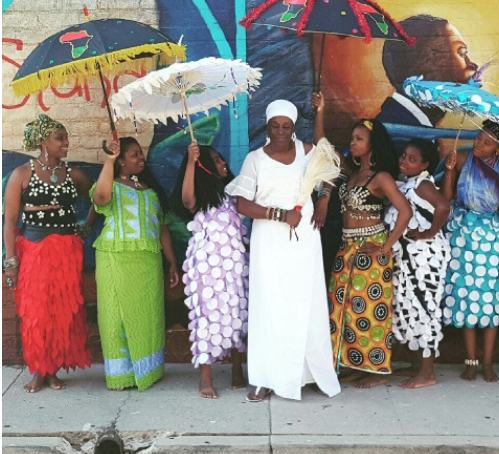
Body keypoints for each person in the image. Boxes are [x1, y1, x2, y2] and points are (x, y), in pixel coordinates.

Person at [228, 99, 341, 402]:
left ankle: (308, 373)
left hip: (304, 236)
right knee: (270, 305)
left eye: (286, 126)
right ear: (268, 127)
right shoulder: (255, 159)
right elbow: (242, 203)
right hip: (269, 239)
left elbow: (327, 164)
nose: (280, 131)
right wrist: (278, 215)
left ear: (293, 127)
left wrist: (324, 199)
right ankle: (266, 377)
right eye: (275, 126)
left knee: (305, 301)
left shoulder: (306, 152)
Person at [316, 117, 412, 388]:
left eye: (359, 139)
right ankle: (355, 364)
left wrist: (385, 246)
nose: (352, 143)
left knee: (369, 310)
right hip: (347, 248)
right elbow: (323, 147)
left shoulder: (380, 177)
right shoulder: (351, 173)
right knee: (343, 306)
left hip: (371, 249)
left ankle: (377, 370)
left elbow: (405, 211)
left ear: (372, 145)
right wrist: (321, 111)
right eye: (352, 138)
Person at [3, 115, 94, 393]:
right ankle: (39, 370)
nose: (66, 143)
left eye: (66, 137)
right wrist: (10, 262)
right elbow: (10, 221)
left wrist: (86, 227)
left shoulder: (74, 174)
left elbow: (99, 200)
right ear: (44, 142)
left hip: (66, 253)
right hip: (34, 252)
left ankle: (53, 371)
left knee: (60, 311)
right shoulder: (22, 174)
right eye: (60, 138)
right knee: (36, 312)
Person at [93, 136, 179, 391]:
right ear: (120, 162)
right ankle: (121, 375)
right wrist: (108, 161)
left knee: (148, 316)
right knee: (115, 316)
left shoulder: (149, 189)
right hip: (115, 257)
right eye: (133, 155)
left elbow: (162, 228)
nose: (141, 158)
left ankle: (147, 370)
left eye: (140, 153)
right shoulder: (110, 184)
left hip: (148, 261)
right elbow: (100, 198)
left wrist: (172, 262)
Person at [441, 120, 499, 383]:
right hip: (463, 235)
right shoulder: (463, 158)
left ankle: (488, 363)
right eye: (478, 138)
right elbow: (448, 197)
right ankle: (471, 362)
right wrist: (450, 170)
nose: (478, 143)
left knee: (490, 300)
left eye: (486, 142)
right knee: (466, 297)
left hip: (490, 238)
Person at [174, 142, 248, 399]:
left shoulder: (230, 194)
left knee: (236, 313)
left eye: (221, 158)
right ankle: (206, 378)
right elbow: (186, 199)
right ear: (205, 166)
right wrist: (192, 163)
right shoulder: (201, 200)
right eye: (216, 160)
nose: (223, 163)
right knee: (208, 317)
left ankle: (237, 370)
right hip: (208, 267)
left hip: (234, 265)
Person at [386, 139, 451, 389]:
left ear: (425, 164)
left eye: (412, 159)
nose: (404, 161)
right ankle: (417, 364)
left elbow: (443, 206)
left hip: (423, 257)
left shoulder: (422, 184)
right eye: (403, 156)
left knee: (424, 309)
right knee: (411, 308)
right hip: (410, 257)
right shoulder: (410, 183)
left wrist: (428, 233)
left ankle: (427, 372)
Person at [377, 14, 481, 128]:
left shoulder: (410, 124)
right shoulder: (397, 133)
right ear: (427, 66)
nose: (473, 65)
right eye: (462, 53)